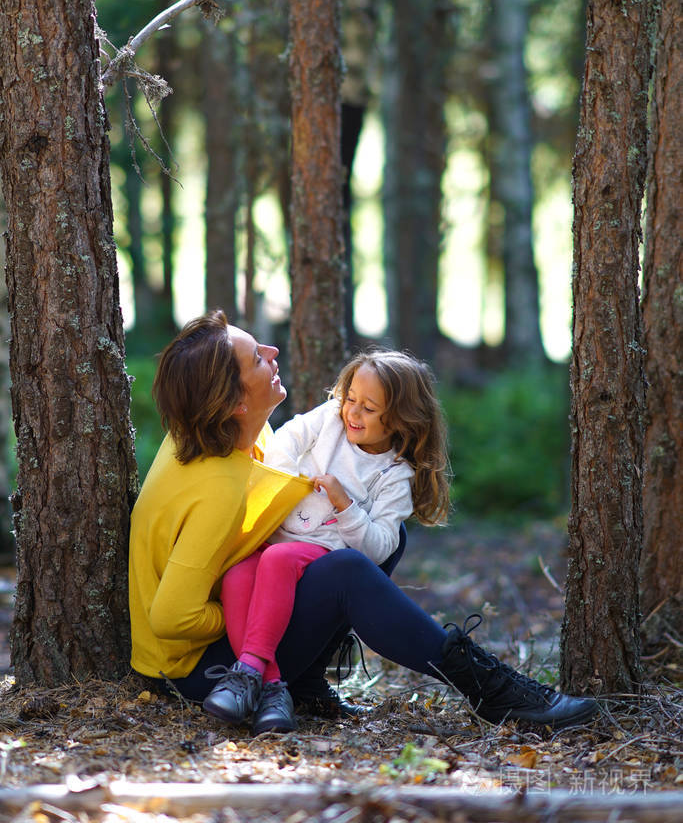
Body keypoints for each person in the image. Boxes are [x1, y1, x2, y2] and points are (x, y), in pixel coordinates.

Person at [129, 310, 598, 738]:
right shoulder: (219, 488)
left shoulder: (226, 437)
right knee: (349, 569)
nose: (272, 353)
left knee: (381, 536)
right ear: (232, 401)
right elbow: (171, 618)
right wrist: (249, 609)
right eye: (256, 358)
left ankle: (307, 682)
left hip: (240, 634)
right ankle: (491, 689)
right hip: (199, 672)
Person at [209, 349, 451, 731]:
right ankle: (270, 688)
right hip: (277, 536)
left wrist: (344, 504)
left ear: (402, 419)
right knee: (238, 575)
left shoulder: (395, 475)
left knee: (278, 560)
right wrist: (287, 485)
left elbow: (379, 547)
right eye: (351, 398)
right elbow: (287, 439)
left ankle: (249, 668)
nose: (353, 413)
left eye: (369, 409)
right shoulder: (331, 419)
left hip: (322, 554)